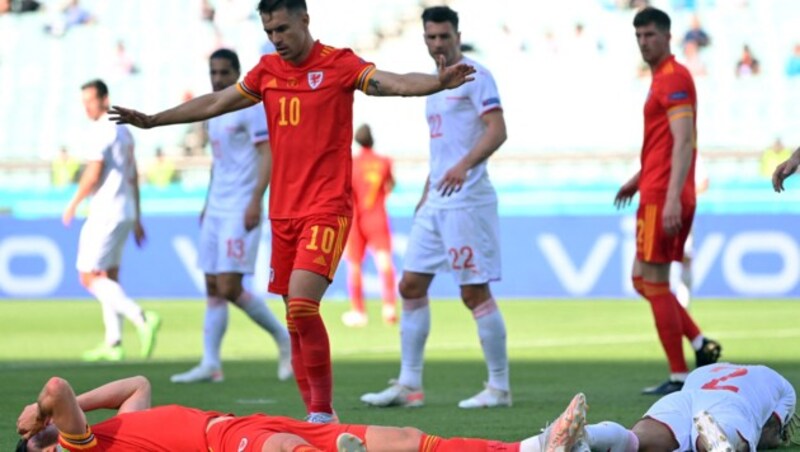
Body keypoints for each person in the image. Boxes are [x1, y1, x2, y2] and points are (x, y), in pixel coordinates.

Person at [108, 0, 476, 423]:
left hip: (326, 207)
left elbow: (389, 82)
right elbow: (214, 104)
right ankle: (316, 417)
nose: (277, 39)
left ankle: (322, 413)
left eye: (282, 29)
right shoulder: (267, 72)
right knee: (294, 317)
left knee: (302, 306)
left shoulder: (339, 64)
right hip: (282, 213)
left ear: (305, 19)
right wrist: (155, 120)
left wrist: (435, 83)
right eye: (269, 32)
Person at [361, 5, 510, 410]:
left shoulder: (476, 76)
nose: (438, 44)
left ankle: (499, 387)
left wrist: (463, 166)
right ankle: (409, 384)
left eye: (444, 36)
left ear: (458, 35)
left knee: (473, 292)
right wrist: (427, 191)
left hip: (468, 201)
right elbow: (443, 148)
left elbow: (498, 131)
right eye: (431, 37)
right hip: (437, 200)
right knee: (410, 285)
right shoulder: (433, 86)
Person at [16, 375, 579, 452]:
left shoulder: (113, 431)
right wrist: (42, 413)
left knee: (405, 437)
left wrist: (56, 412)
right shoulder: (79, 449)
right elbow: (58, 389)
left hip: (242, 421)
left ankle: (529, 449)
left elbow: (136, 384)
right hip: (224, 448)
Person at [613, 7, 721, 395]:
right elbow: (664, 143)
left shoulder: (673, 78)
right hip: (656, 188)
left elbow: (684, 140)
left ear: (667, 36)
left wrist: (673, 195)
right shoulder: (662, 78)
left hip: (664, 196)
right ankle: (699, 344)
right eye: (639, 36)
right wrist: (638, 179)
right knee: (642, 280)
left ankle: (679, 377)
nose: (644, 42)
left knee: (654, 283)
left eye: (650, 35)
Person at [171, 48, 293, 385]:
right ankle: (211, 363)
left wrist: (256, 199)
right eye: (214, 72)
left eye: (225, 73)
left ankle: (284, 339)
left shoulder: (250, 107)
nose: (219, 78)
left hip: (241, 206)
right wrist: (208, 202)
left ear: (237, 73)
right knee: (212, 286)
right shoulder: (214, 110)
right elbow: (219, 162)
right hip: (217, 207)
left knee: (229, 285)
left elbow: (267, 153)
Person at [62, 79, 161, 362]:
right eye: (83, 102)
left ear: (105, 98)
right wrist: (138, 217)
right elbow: (133, 176)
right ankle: (114, 342)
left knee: (88, 276)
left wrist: (73, 203)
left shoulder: (102, 129)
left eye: (90, 101)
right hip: (125, 210)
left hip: (106, 211)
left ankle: (141, 317)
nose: (86, 108)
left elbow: (93, 172)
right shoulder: (124, 131)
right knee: (109, 276)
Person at [549, 363, 797, 452]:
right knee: (736, 440)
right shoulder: (783, 386)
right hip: (730, 403)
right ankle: (715, 442)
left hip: (684, 399)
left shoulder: (703, 371)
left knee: (636, 441)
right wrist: (773, 438)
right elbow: (769, 429)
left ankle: (587, 436)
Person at [341, 123, 398, 328]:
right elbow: (390, 185)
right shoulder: (384, 161)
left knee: (355, 265)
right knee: (384, 262)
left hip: (356, 219)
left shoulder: (351, 163)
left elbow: (346, 192)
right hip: (377, 216)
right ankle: (389, 307)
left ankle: (358, 312)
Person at [676, 153, 708, 308]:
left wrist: (684, 197)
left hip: (684, 214)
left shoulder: (694, 157)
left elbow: (704, 183)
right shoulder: (657, 152)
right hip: (660, 212)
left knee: (685, 257)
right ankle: (666, 301)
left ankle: (683, 303)